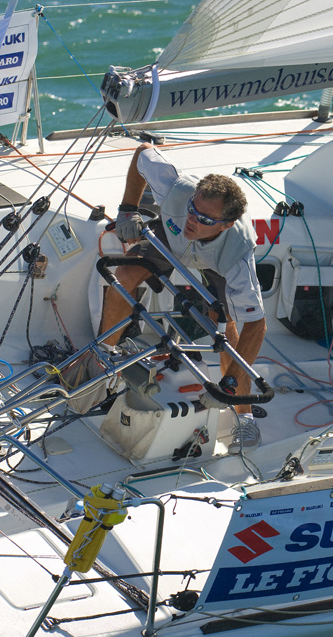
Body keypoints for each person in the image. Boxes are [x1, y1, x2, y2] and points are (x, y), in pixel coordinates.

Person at [99, 141, 267, 453]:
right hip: (170, 236)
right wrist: (128, 209)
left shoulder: (238, 255)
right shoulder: (176, 188)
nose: (194, 220)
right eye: (194, 210)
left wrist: (227, 383)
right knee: (123, 278)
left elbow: (256, 325)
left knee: (226, 324)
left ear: (227, 224)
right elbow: (141, 152)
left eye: (205, 219)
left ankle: (242, 413)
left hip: (214, 258)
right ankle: (101, 359)